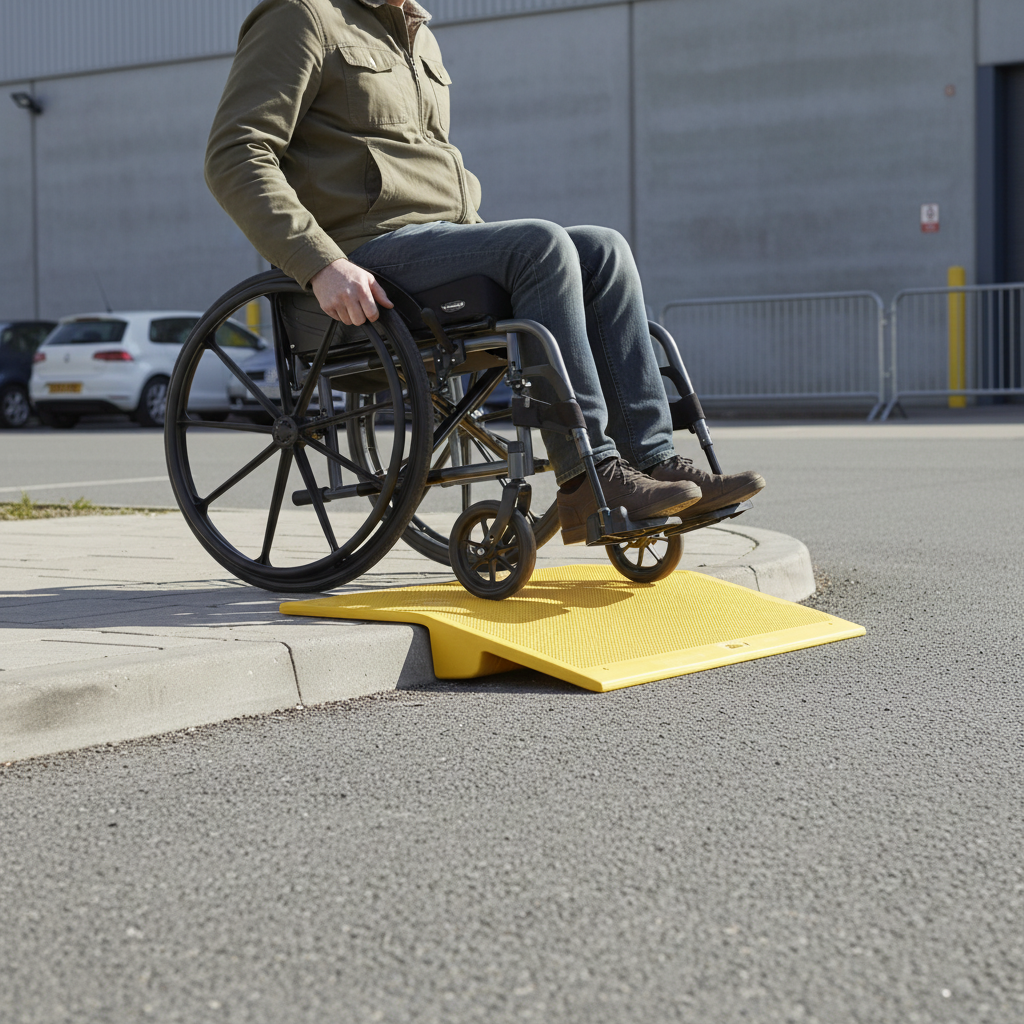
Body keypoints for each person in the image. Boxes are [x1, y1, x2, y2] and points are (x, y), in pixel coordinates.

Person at [205, 0, 764, 544]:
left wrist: (490, 249)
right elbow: (235, 154)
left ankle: (653, 459)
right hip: (361, 261)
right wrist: (320, 264)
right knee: (539, 244)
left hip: (436, 244)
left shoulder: (418, 32)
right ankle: (588, 475)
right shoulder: (302, 15)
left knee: (602, 250)